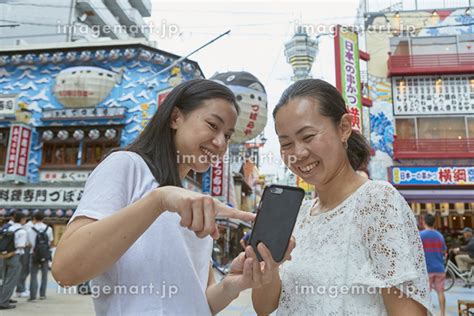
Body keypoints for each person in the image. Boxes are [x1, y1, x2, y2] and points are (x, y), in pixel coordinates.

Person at [52, 79, 294, 315]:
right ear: (176, 117)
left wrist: (232, 284)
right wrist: (158, 200)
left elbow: (199, 300)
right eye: (212, 125)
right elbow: (65, 270)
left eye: (228, 135)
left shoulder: (191, 200)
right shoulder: (126, 166)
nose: (220, 142)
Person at [252, 79, 433, 315]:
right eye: (286, 143)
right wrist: (267, 269)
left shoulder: (377, 200)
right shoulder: (299, 215)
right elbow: (265, 307)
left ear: (344, 127)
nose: (298, 153)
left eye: (308, 137)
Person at [420, 214, 446, 316]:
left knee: (426, 293)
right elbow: (444, 251)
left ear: (424, 222)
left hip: (427, 268)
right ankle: (442, 314)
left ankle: (426, 313)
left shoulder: (421, 235)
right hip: (439, 268)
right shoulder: (440, 236)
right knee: (441, 292)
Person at [0, 211, 27, 310]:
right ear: (22, 219)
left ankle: (2, 298)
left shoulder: (8, 228)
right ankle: (4, 302)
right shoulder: (22, 231)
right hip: (14, 257)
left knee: (4, 280)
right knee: (11, 281)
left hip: (4, 256)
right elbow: (20, 246)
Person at [28, 211, 53, 301]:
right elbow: (50, 242)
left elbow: (30, 243)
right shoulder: (48, 229)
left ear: (34, 218)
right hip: (45, 254)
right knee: (44, 275)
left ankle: (33, 296)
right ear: (43, 218)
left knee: (33, 275)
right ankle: (42, 294)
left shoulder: (31, 229)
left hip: (34, 253)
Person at [15, 217, 33, 299]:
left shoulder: (26, 227)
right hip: (24, 249)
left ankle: (22, 289)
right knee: (23, 270)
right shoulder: (28, 227)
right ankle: (20, 289)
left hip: (25, 250)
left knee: (25, 270)